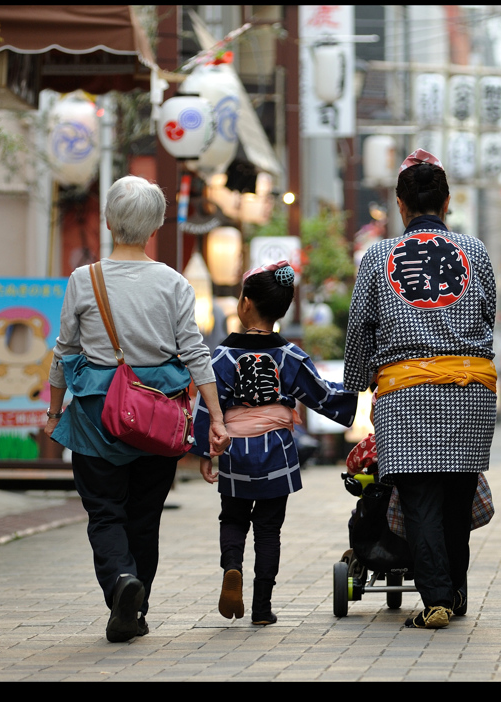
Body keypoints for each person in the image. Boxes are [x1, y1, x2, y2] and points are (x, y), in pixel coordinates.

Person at [44, 175, 230, 643]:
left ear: (108, 222)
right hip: (158, 420)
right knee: (145, 518)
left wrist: (52, 412)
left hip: (95, 419)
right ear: (155, 227)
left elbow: (64, 352)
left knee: (105, 513)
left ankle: (120, 584)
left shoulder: (84, 281)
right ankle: (137, 604)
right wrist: (217, 420)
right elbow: (195, 353)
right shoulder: (174, 283)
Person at [344, 148, 498, 630]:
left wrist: (352, 385)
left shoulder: (378, 256)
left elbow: (359, 330)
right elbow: (488, 316)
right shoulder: (475, 253)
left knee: (420, 501)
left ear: (400, 205)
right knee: (457, 496)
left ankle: (435, 600)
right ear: (447, 202)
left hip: (406, 395)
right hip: (470, 391)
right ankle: (452, 593)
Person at [192, 261, 357, 625]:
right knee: (269, 528)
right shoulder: (290, 357)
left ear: (246, 303)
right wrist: (360, 392)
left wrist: (205, 451)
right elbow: (323, 396)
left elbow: (206, 404)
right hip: (276, 453)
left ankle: (231, 568)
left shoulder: (221, 356)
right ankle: (262, 608)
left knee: (233, 518)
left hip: (235, 450)